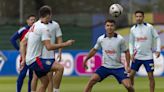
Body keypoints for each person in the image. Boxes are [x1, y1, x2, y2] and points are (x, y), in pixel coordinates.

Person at [20, 5, 74, 92]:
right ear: (48, 16)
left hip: (31, 59)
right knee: (60, 68)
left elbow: (22, 42)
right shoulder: (43, 28)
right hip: (36, 59)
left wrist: (23, 59)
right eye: (50, 16)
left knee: (45, 82)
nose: (50, 19)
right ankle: (56, 91)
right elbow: (49, 47)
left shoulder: (34, 25)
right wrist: (66, 44)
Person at [83, 19, 134, 92]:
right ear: (105, 27)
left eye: (111, 26)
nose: (109, 27)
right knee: (91, 80)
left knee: (128, 86)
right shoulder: (101, 39)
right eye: (108, 25)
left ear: (114, 27)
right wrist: (85, 60)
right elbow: (94, 50)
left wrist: (128, 66)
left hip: (118, 67)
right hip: (105, 67)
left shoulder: (120, 39)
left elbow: (127, 52)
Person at [129, 10, 161, 92]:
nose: (138, 18)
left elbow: (157, 37)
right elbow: (130, 42)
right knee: (131, 75)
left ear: (143, 17)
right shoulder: (133, 29)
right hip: (137, 56)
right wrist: (131, 53)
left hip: (148, 56)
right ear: (135, 17)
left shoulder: (149, 27)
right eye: (137, 16)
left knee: (150, 77)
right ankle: (132, 90)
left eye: (140, 16)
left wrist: (158, 50)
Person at [31, 15, 63, 92]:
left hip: (50, 55)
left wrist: (60, 52)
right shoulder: (36, 25)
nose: (49, 17)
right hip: (38, 56)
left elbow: (59, 38)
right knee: (35, 77)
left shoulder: (55, 25)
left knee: (49, 78)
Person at [10, 14, 36, 92]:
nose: (33, 21)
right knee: (22, 75)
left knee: (32, 77)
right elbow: (12, 39)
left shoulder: (37, 29)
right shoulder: (23, 29)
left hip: (34, 56)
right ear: (27, 21)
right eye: (31, 19)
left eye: (34, 20)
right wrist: (19, 49)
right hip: (25, 56)